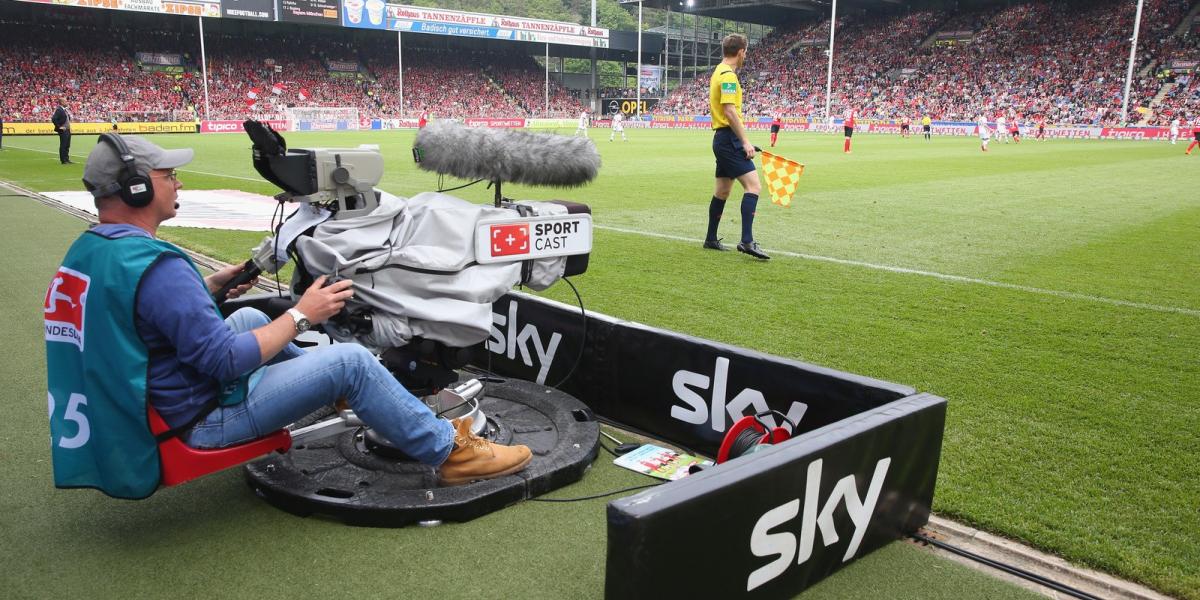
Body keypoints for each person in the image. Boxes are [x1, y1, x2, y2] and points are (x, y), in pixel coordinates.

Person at [46, 134, 532, 495]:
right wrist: (303, 313)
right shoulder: (158, 267)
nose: (177, 182)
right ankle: (452, 453)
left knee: (251, 319)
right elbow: (223, 362)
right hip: (195, 419)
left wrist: (212, 284)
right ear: (134, 188)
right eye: (166, 175)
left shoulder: (94, 250)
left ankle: (349, 397)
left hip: (149, 400)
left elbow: (141, 317)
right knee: (351, 362)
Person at [701, 33, 769, 260]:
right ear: (741, 52)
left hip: (722, 139)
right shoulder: (728, 76)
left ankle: (711, 238)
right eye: (746, 52)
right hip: (728, 138)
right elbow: (730, 111)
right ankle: (747, 241)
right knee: (754, 186)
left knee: (722, 190)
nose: (745, 56)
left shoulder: (718, 71)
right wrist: (745, 141)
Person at [51, 99, 72, 164]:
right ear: (62, 102)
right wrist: (59, 127)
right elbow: (54, 119)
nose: (67, 102)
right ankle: (63, 160)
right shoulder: (59, 109)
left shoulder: (65, 110)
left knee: (67, 145)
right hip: (63, 130)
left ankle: (67, 159)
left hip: (67, 130)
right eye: (65, 101)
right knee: (63, 145)